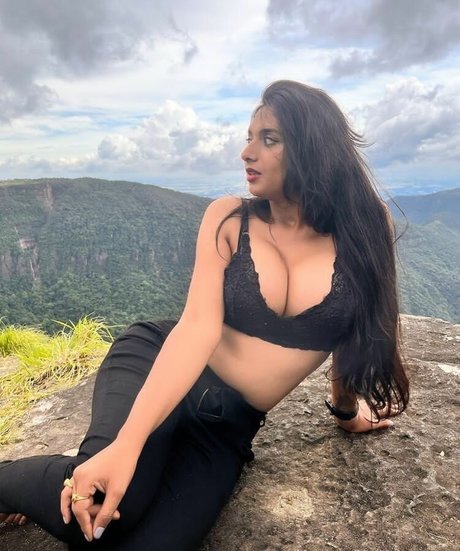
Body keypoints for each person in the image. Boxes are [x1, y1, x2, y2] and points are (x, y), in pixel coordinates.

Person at [0, 80, 409, 550]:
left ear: (315, 146)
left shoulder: (366, 223)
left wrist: (345, 411)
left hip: (225, 427)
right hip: (158, 366)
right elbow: (196, 329)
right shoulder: (229, 217)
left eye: (269, 139)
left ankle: (58, 479)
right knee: (101, 505)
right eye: (249, 137)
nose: (247, 152)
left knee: (134, 541)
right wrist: (127, 445)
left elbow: (358, 325)